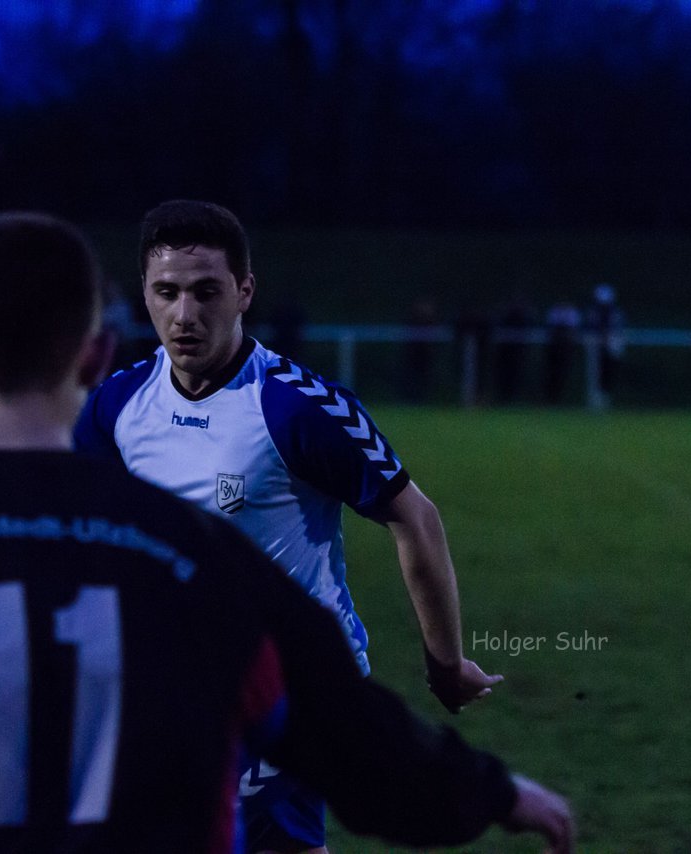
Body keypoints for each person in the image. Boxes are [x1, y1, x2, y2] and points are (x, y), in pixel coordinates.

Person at [0, 210, 571, 853]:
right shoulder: (192, 555)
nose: (184, 315)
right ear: (98, 354)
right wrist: (489, 793)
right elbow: (345, 735)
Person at [74, 200, 502, 854]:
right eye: (167, 293)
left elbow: (415, 517)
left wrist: (445, 665)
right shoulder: (118, 404)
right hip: (174, 687)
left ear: (244, 291)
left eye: (206, 292)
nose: (185, 315)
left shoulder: (294, 406)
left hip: (292, 686)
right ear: (144, 294)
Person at [585, 283, 625, 410]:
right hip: (595, 347)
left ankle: (604, 400)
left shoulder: (615, 313)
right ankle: (594, 401)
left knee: (608, 373)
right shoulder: (593, 312)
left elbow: (618, 329)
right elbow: (590, 327)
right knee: (594, 374)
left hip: (610, 347)